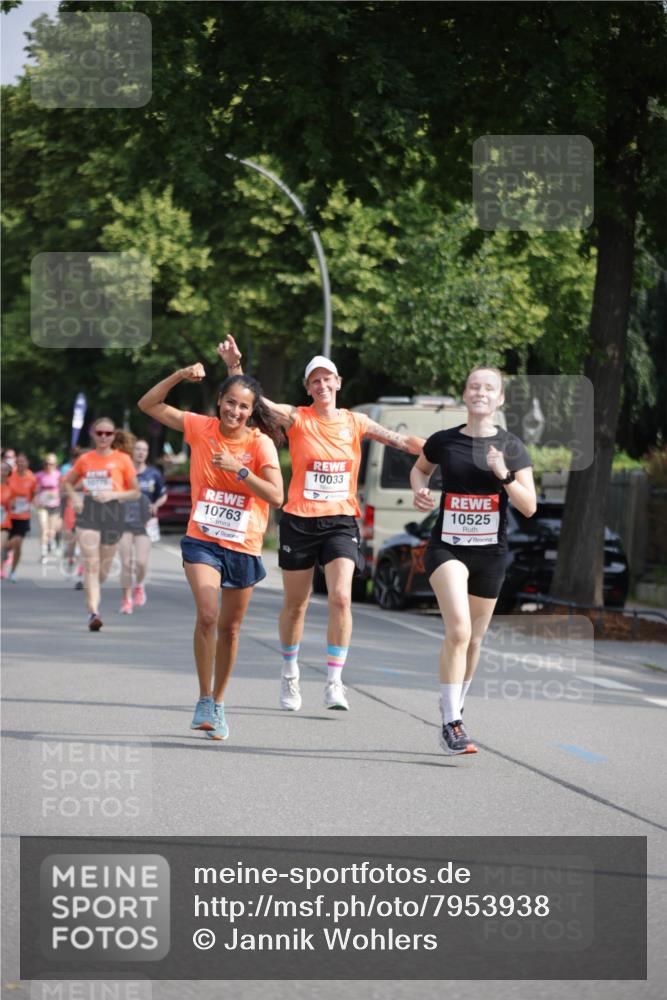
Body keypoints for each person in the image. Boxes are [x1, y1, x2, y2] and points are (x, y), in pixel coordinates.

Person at [217, 335, 424, 714]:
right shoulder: (297, 418)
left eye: (328, 379)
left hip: (341, 521)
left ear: (338, 383)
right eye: (315, 381)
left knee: (341, 597)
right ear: (308, 388)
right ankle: (290, 671)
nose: (322, 385)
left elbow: (401, 441)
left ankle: (334, 681)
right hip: (299, 521)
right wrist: (234, 365)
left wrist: (440, 447)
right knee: (296, 605)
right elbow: (254, 402)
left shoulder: (356, 421)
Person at [138, 363, 284, 741]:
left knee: (231, 629)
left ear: (252, 411)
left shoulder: (259, 443)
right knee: (208, 614)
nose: (235, 411)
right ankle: (203, 698)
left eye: (243, 407)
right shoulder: (200, 427)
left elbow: (277, 496)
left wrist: (240, 471)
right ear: (219, 401)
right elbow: (148, 404)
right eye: (230, 403)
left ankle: (219, 702)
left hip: (244, 544)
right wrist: (177, 376)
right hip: (203, 538)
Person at [410, 366, 537, 755]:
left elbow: (529, 507)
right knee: (460, 631)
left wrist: (503, 475)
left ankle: (454, 705)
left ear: (499, 399)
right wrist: (421, 489)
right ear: (465, 395)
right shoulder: (445, 441)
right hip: (447, 547)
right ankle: (451, 723)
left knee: (476, 639)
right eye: (474, 386)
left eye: (489, 388)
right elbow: (420, 468)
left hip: (491, 552)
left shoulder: (512, 447)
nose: (480, 392)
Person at [62, 418, 140, 631]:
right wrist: (75, 497)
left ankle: (94, 588)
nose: (104, 437)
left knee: (102, 569)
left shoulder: (123, 459)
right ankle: (94, 612)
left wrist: (113, 494)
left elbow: (135, 491)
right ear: (93, 434)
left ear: (114, 435)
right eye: (100, 433)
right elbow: (67, 482)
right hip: (89, 512)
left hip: (113, 513)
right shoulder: (85, 459)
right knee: (91, 564)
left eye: (108, 433)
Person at [121, 438, 167, 610]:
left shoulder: (154, 474)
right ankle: (126, 600)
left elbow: (163, 495)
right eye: (138, 449)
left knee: (140, 562)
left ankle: (139, 586)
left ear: (147, 454)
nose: (140, 452)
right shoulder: (125, 472)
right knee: (126, 562)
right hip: (124, 521)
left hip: (144, 523)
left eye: (144, 450)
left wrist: (156, 505)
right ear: (132, 451)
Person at [6, 453, 37, 582]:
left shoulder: (31, 478)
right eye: (18, 462)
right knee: (7, 540)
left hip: (23, 515)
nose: (20, 464)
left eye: (23, 462)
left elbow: (34, 494)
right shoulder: (9, 476)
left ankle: (13, 570)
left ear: (27, 463)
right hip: (8, 515)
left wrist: (32, 503)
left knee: (18, 544)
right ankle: (4, 554)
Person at [34, 453, 62, 560]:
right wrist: (36, 499)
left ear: (55, 464)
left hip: (55, 505)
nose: (48, 466)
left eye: (51, 464)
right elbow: (34, 490)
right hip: (43, 505)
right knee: (43, 529)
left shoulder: (59, 475)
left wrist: (57, 494)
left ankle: (50, 542)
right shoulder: (39, 475)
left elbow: (63, 490)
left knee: (51, 530)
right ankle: (43, 552)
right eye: (46, 464)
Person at [1, 461, 14, 578]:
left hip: (4, 522)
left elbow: (15, 505)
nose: (2, 472)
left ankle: (1, 568)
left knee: (1, 545)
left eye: (5, 470)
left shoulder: (11, 487)